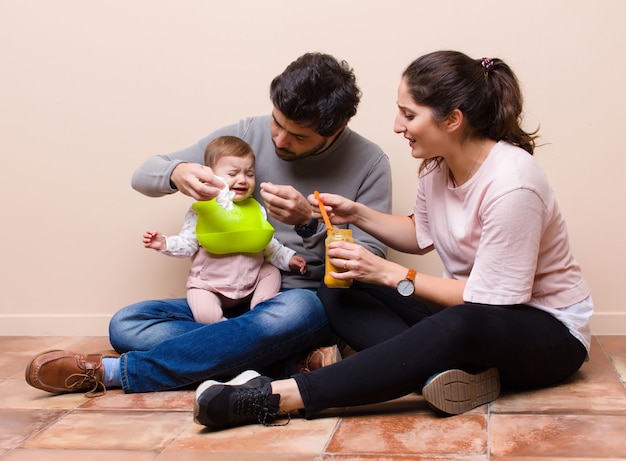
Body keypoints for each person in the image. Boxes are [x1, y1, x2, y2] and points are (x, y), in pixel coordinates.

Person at [191, 50, 594, 430]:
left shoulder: (513, 185)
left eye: (408, 114)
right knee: (338, 292)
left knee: (458, 321)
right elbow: (421, 234)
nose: (397, 126)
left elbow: (491, 303)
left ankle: (278, 397)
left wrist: (392, 273)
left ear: (452, 120)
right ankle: (442, 375)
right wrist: (356, 213)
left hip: (546, 331)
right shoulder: (437, 167)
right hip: (470, 318)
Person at [24, 52, 392, 395]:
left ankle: (113, 373)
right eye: (277, 123)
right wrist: (177, 172)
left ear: (337, 127)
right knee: (126, 323)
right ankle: (285, 361)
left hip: (292, 302)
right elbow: (143, 174)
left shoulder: (370, 162)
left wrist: (308, 224)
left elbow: (365, 265)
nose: (278, 140)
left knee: (300, 311)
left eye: (298, 136)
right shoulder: (248, 132)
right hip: (219, 297)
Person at [143, 135, 307, 324]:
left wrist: (289, 258)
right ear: (210, 177)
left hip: (250, 283)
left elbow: (268, 245)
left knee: (270, 271)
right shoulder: (201, 210)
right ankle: (229, 328)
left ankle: (260, 308)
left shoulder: (256, 208)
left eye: (249, 174)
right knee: (204, 314)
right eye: (233, 173)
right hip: (209, 286)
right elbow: (187, 244)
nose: (242, 180)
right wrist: (163, 243)